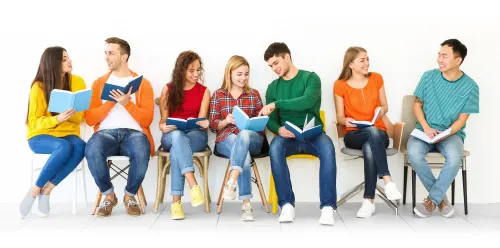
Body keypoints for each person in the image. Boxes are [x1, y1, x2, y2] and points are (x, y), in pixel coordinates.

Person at [259, 42, 337, 225]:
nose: (274, 68)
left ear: (287, 57)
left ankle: (327, 207)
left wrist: (277, 104)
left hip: (314, 135)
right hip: (288, 137)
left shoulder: (311, 78)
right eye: (271, 66)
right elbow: (270, 119)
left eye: (276, 63)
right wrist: (278, 129)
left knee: (328, 148)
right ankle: (286, 205)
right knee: (275, 148)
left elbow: (307, 101)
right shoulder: (273, 87)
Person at [408, 39, 479, 218]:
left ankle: (432, 200)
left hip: (451, 134)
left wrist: (445, 134)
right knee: (414, 154)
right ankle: (441, 200)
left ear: (458, 60)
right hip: (424, 131)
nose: (439, 59)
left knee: (455, 158)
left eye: (444, 56)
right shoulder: (428, 76)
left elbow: (462, 119)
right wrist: (426, 128)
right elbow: (417, 106)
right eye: (439, 54)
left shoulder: (471, 86)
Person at [85, 37, 154, 217]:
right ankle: (109, 196)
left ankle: (129, 196)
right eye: (106, 53)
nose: (106, 57)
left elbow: (147, 120)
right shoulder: (99, 84)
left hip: (134, 133)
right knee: (92, 149)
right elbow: (90, 118)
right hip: (105, 133)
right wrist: (110, 102)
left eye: (111, 53)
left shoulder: (143, 84)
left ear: (124, 57)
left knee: (141, 149)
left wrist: (126, 103)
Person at [334, 46, 402, 218]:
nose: (367, 63)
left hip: (379, 134)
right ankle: (387, 180)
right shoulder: (340, 85)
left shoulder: (376, 78)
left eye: (367, 59)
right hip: (354, 135)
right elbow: (340, 117)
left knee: (370, 143)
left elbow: (385, 105)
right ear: (350, 64)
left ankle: (368, 202)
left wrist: (382, 110)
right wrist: (345, 121)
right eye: (362, 60)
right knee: (370, 134)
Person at [20, 46, 86, 218]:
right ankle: (35, 191)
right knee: (64, 147)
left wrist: (69, 115)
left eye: (68, 57)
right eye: (64, 59)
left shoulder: (78, 82)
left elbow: (79, 118)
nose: (69, 61)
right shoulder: (39, 87)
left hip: (67, 132)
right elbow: (35, 122)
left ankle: (47, 190)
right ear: (53, 64)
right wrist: (57, 119)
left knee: (80, 146)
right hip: (40, 135)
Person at [209, 55, 264, 221]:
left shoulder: (254, 94)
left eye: (246, 74)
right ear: (230, 73)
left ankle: (232, 180)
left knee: (244, 134)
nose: (243, 78)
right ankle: (246, 204)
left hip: (252, 139)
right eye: (239, 74)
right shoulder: (218, 95)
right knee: (244, 155)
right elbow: (213, 126)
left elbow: (261, 125)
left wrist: (255, 122)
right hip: (226, 140)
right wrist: (226, 121)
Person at [159, 50, 210, 220]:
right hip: (171, 136)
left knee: (177, 149)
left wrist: (205, 123)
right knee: (177, 137)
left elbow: (202, 122)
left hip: (196, 136)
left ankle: (176, 204)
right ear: (181, 70)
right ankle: (192, 183)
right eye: (191, 70)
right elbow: (163, 121)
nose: (196, 74)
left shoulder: (204, 91)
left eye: (198, 70)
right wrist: (162, 127)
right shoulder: (168, 89)